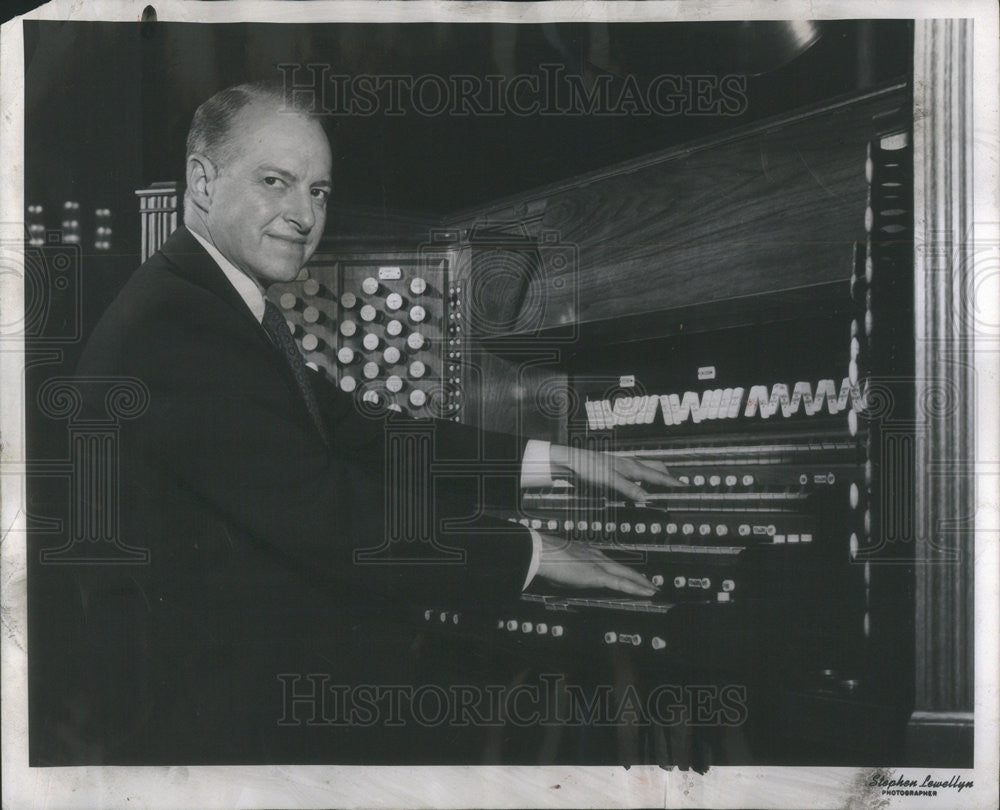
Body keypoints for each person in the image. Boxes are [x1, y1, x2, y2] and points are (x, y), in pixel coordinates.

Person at [62, 81, 678, 764]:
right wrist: (531, 553)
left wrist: (549, 459)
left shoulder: (210, 300)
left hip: (244, 685)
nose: (303, 215)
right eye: (276, 182)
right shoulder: (178, 323)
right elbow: (330, 512)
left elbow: (361, 429)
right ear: (202, 182)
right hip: (222, 725)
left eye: (319, 191)